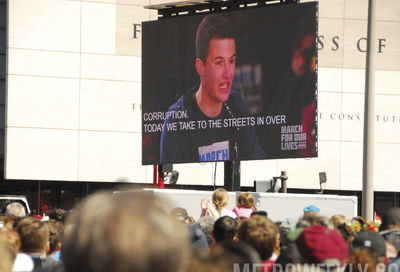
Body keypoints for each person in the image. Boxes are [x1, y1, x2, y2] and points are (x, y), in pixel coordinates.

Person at [160, 14, 265, 163]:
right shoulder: (175, 120)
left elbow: (258, 163)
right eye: (219, 62)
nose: (228, 74)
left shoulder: (237, 105)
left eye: (232, 61)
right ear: (200, 67)